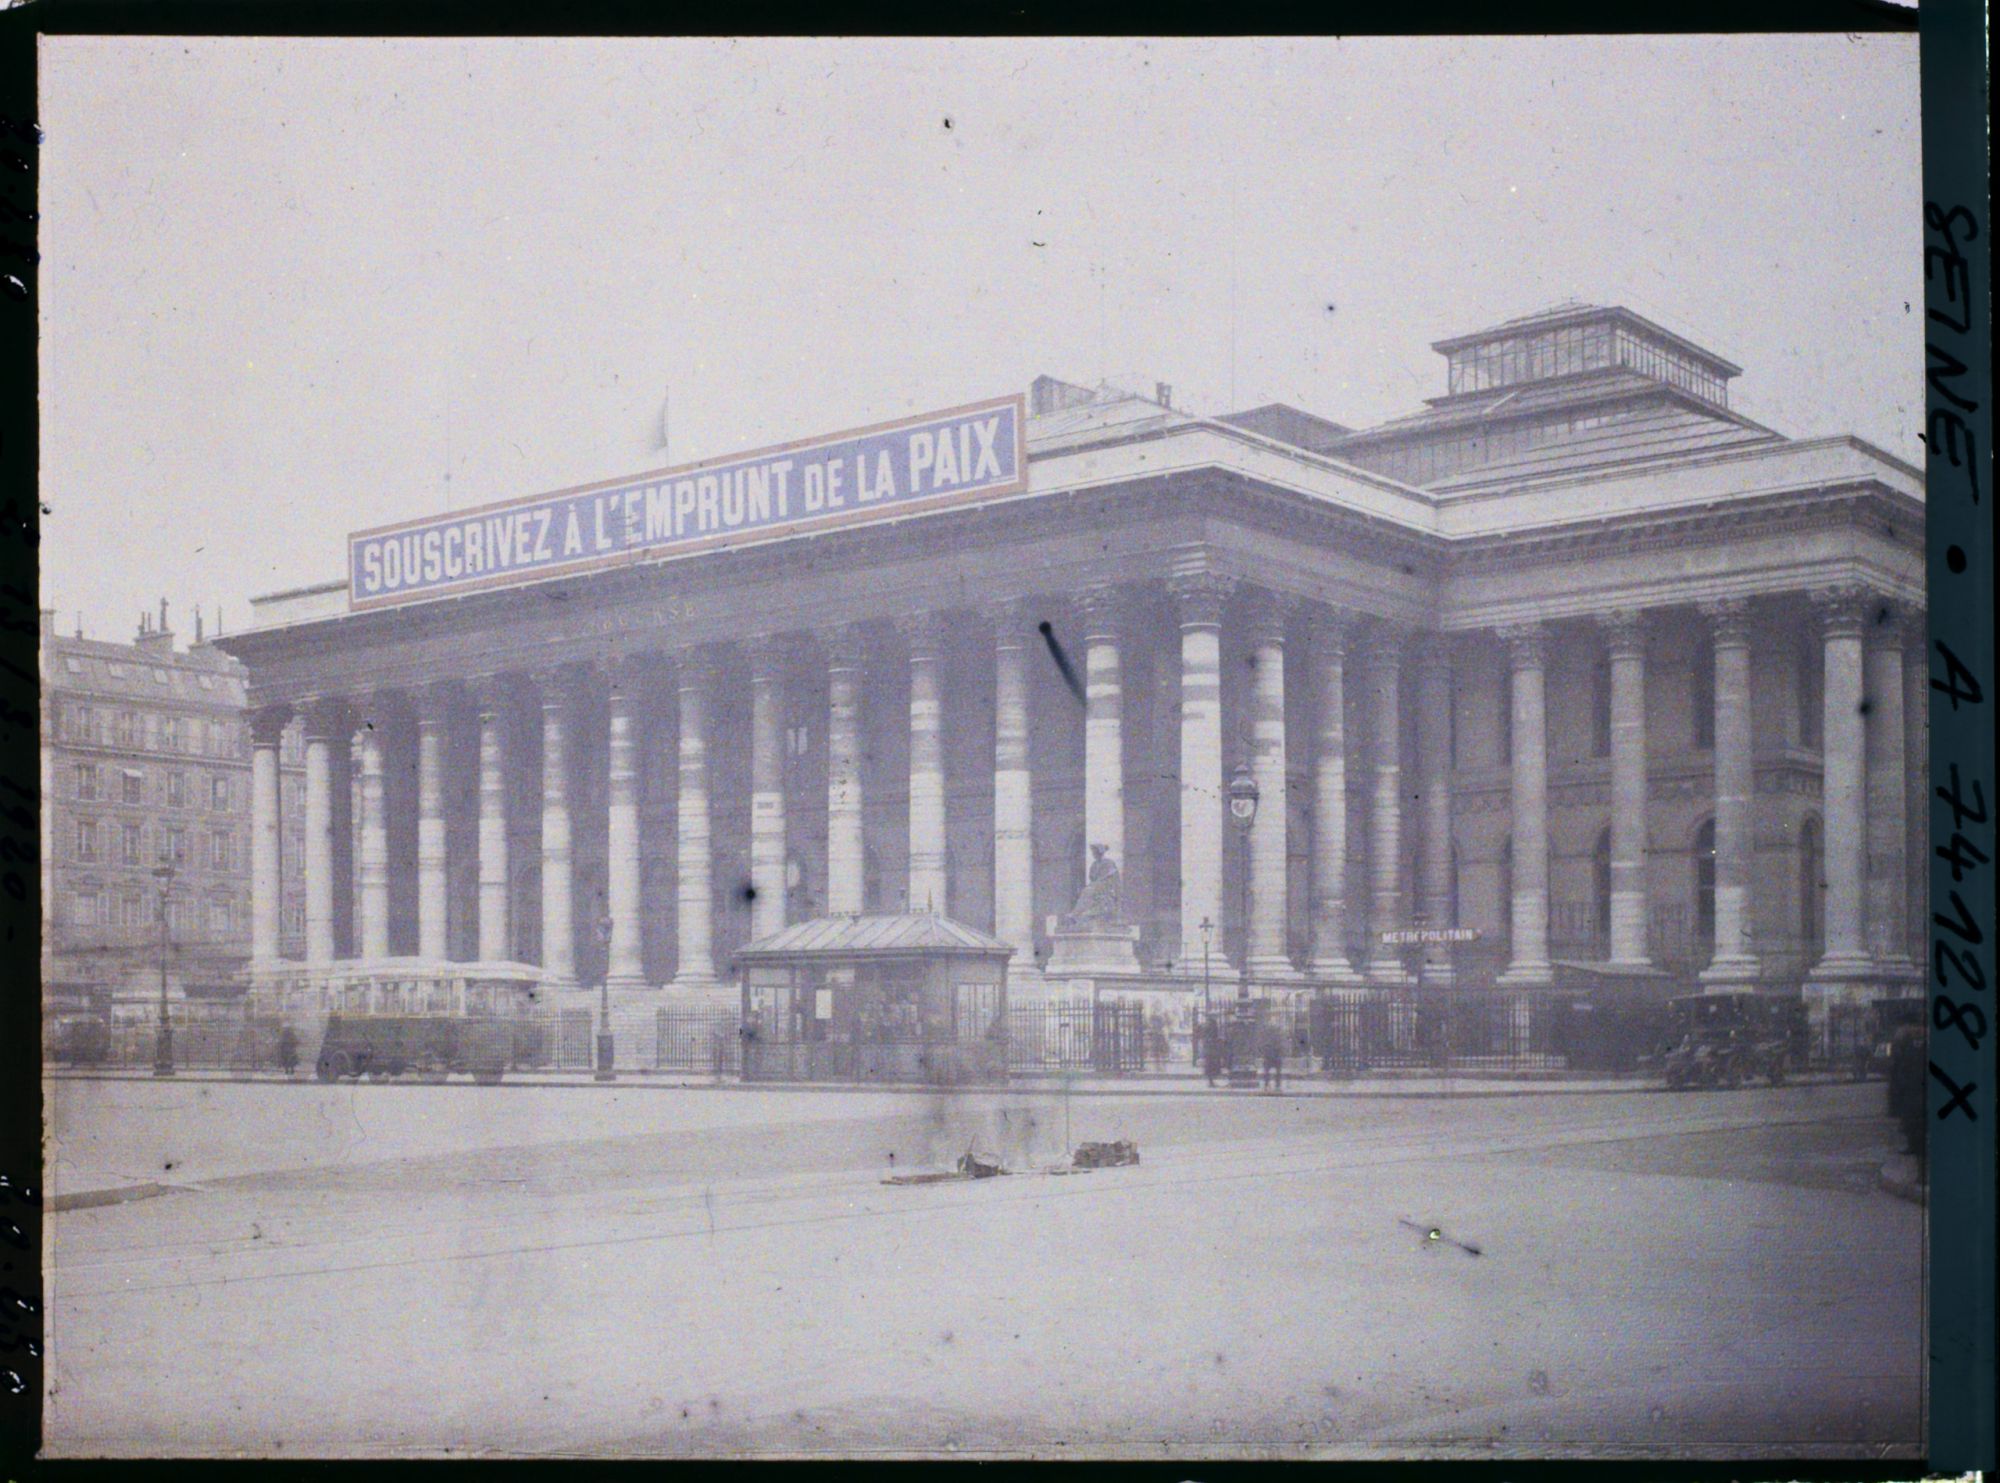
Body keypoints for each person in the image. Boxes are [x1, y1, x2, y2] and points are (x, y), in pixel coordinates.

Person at [1260, 1016, 1285, 1092]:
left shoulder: (1277, 1031)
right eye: (1272, 1021)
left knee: (1276, 1071)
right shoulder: (1269, 1031)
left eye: (1274, 1021)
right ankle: (1268, 1085)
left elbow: (1281, 1042)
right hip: (1270, 1054)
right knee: (1268, 1071)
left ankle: (1276, 1085)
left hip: (1275, 1053)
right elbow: (1264, 1042)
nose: (1273, 1023)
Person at [1202, 1016, 1224, 1087]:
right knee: (1212, 1065)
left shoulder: (1206, 1027)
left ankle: (1211, 1081)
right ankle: (1211, 1082)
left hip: (1208, 1049)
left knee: (1209, 1065)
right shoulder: (1212, 1027)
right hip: (1212, 1050)